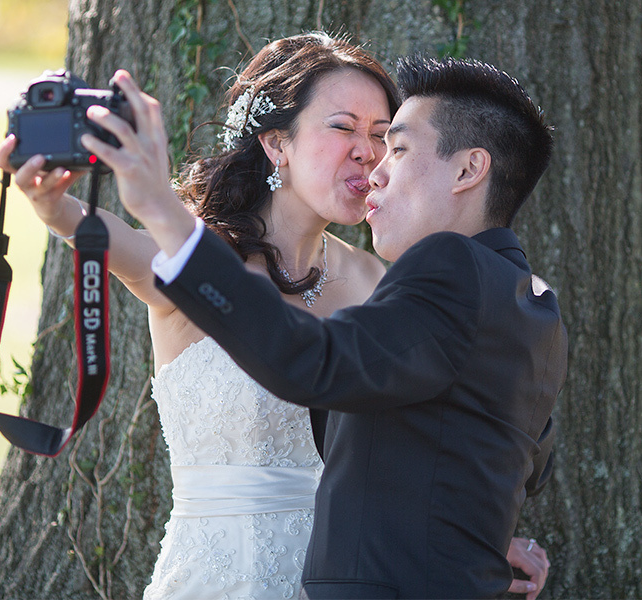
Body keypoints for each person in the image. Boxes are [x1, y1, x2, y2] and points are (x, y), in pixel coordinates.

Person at [82, 52, 567, 600]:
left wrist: (159, 208)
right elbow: (491, 446)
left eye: (394, 143)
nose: (375, 161)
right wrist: (462, 536)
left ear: (467, 170)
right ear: (277, 144)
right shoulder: (530, 300)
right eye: (344, 128)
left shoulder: (436, 272)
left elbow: (313, 362)